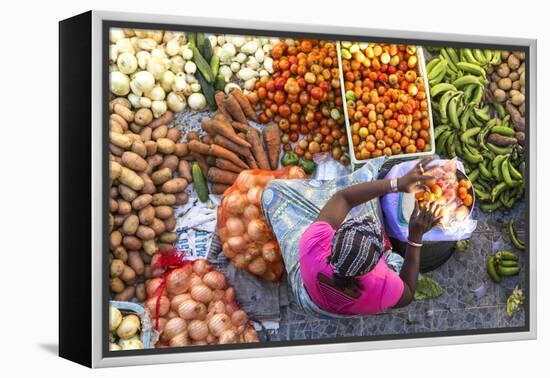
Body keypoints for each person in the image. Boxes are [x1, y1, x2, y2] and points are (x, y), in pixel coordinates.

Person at [298, 156, 442, 316]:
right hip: (353, 307)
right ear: (375, 264)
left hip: (312, 300)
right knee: (397, 262)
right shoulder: (381, 285)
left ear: (335, 238)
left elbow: (344, 198)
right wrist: (415, 238)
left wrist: (398, 183)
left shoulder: (314, 241)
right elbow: (408, 294)